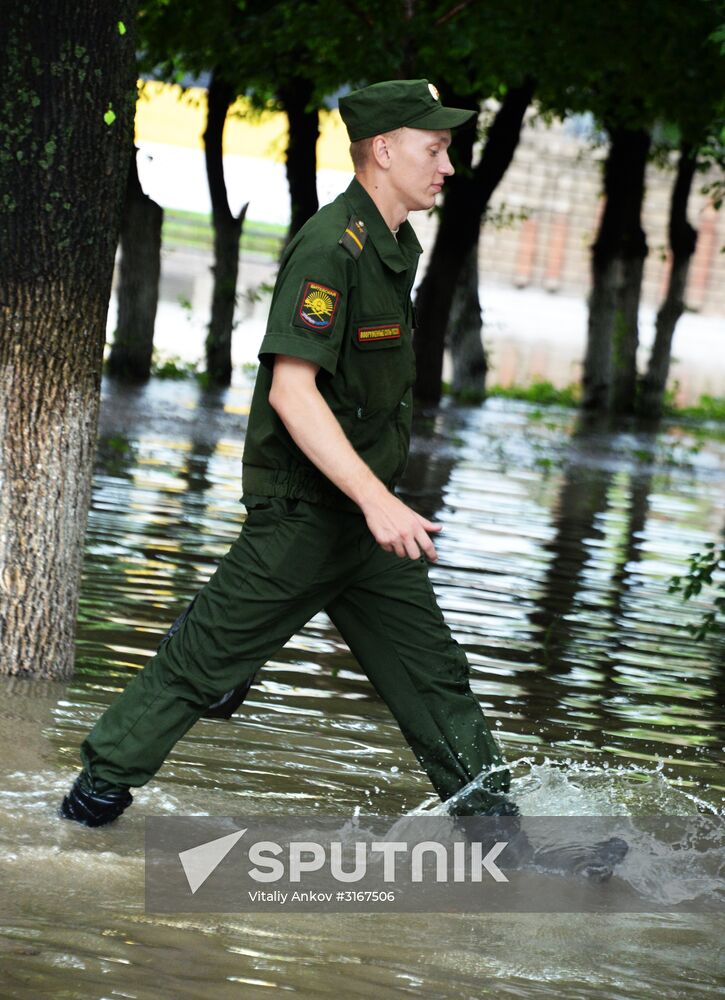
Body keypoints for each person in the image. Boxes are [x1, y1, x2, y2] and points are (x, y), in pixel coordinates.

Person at [59, 79, 517, 828]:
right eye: (433, 149)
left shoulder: (392, 248)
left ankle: (505, 840)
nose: (447, 167)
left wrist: (373, 505)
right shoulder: (331, 246)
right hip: (308, 515)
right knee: (197, 666)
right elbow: (291, 393)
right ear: (382, 149)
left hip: (364, 527)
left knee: (435, 680)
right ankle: (83, 814)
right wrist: (377, 501)